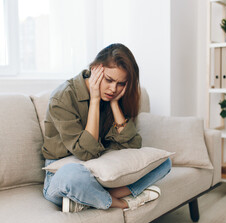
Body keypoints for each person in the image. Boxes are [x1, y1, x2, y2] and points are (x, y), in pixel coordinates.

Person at [42, 43, 171, 212]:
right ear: (95, 69)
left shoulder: (112, 95)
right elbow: (85, 153)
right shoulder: (63, 97)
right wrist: (94, 101)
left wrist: (115, 103)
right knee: (73, 176)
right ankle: (121, 202)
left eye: (120, 84)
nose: (113, 88)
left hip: (98, 171)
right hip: (62, 172)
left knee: (164, 163)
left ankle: (89, 197)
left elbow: (132, 145)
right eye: (109, 80)